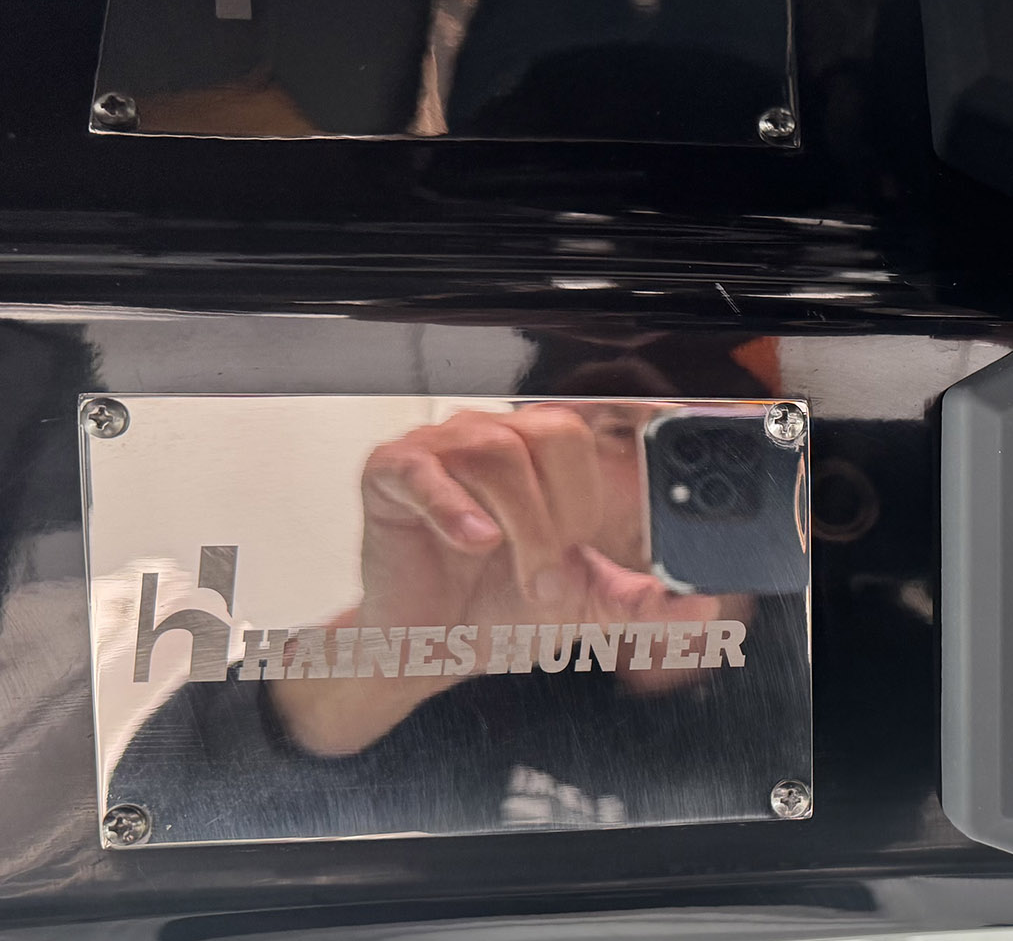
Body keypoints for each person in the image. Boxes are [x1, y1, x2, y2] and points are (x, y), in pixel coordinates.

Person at [109, 332, 810, 842]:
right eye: (568, 431)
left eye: (691, 439)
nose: (597, 454)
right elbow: (161, 816)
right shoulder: (486, 660)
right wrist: (394, 654)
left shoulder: (833, 676)